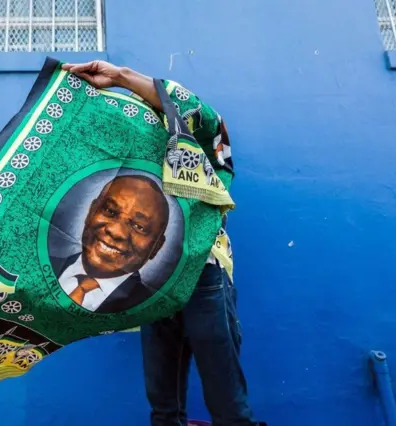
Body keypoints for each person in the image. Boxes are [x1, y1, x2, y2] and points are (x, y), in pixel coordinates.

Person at [61, 60, 266, 426]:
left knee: (228, 405)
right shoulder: (132, 161)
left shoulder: (198, 142)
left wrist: (122, 76)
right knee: (164, 408)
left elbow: (202, 115)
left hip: (204, 274)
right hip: (156, 285)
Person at [52, 175, 170, 313]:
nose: (116, 231)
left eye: (139, 226)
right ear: (91, 212)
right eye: (110, 211)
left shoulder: (151, 310)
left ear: (156, 247)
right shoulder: (32, 266)